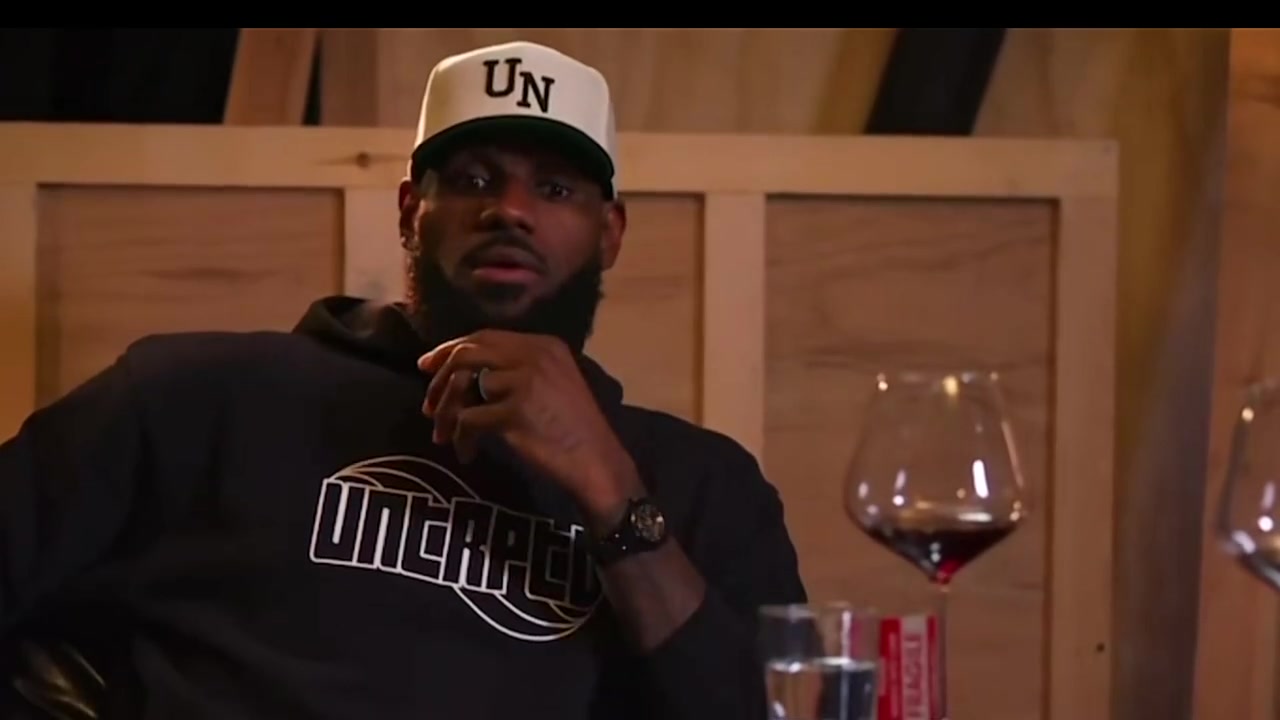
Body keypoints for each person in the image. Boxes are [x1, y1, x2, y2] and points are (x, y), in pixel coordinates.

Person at [0, 41, 807, 719]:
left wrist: (613, 494)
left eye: (555, 187)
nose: (509, 210)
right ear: (408, 212)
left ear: (610, 233)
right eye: (474, 179)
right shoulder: (198, 398)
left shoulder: (705, 486)